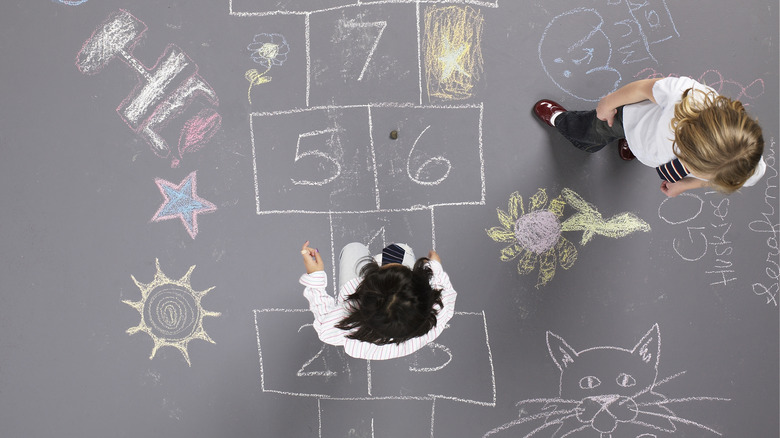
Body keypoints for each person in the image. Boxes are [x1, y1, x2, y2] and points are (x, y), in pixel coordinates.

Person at [533, 76, 766, 197]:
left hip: (648, 149)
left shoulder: (742, 166)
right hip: (633, 120)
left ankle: (632, 147)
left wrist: (686, 185)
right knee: (591, 131)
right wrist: (608, 103)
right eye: (692, 166)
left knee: (640, 148)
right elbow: (643, 89)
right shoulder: (685, 97)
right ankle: (564, 123)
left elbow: (713, 178)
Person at [298, 240, 457, 360]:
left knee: (353, 249)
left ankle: (372, 262)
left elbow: (324, 324)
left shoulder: (346, 319)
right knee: (399, 249)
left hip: (360, 295)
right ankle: (390, 263)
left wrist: (315, 275)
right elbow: (444, 289)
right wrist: (435, 266)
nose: (392, 263)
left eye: (379, 271)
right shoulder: (438, 310)